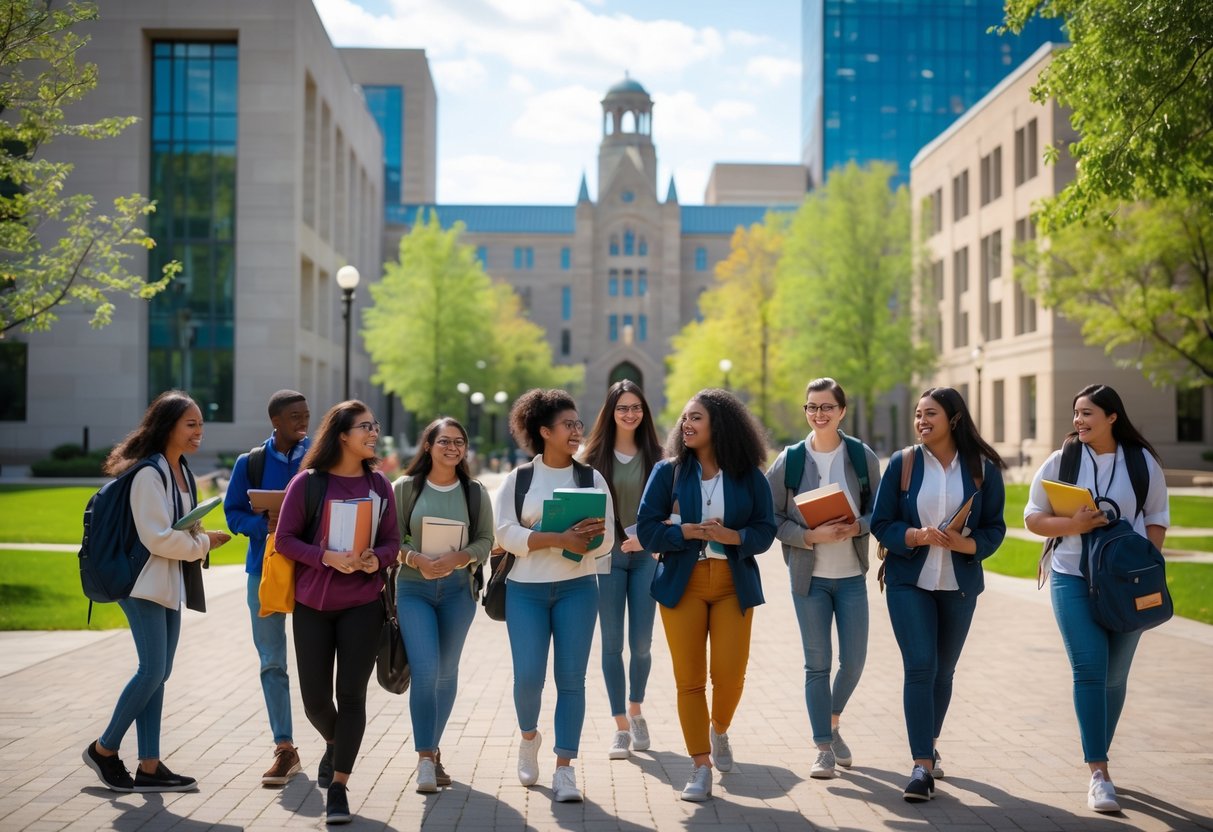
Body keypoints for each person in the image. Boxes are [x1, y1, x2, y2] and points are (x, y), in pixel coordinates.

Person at [1024, 384, 1169, 813]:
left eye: (1088, 413)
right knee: (1090, 670)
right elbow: (1033, 518)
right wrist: (1075, 525)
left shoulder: (1142, 463)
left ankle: (1097, 752)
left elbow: (1157, 517)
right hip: (1072, 577)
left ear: (1111, 417)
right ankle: (1099, 773)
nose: (1079, 421)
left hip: (1128, 586)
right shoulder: (1062, 460)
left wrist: (1145, 565)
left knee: (1115, 677)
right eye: (1075, 414)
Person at [83, 390, 230, 793]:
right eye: (191, 423)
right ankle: (104, 749)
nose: (199, 430)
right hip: (143, 583)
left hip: (167, 583)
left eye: (201, 423)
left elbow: (176, 527)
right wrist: (203, 545)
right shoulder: (149, 473)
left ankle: (150, 766)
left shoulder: (180, 468)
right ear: (167, 426)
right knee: (151, 670)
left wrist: (200, 534)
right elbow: (156, 539)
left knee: (159, 674)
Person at [636, 388, 777, 802]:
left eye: (696, 417)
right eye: (684, 418)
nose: (687, 424)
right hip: (684, 584)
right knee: (690, 681)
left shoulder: (749, 474)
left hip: (734, 583)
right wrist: (685, 532)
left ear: (721, 423)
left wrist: (734, 536)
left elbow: (766, 529)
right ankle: (700, 766)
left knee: (730, 676)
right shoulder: (669, 472)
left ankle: (718, 730)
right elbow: (646, 529)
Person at [871, 386, 1006, 803]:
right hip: (908, 580)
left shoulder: (983, 468)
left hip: (959, 585)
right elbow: (881, 522)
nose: (921, 421)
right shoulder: (904, 463)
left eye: (930, 413)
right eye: (917, 414)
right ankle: (920, 768)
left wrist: (968, 545)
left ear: (954, 418)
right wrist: (913, 534)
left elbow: (995, 528)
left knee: (943, 674)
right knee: (920, 667)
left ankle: (928, 745)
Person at [274, 401, 400, 825]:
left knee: (351, 696)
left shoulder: (380, 485)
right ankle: (336, 742)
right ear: (342, 434)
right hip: (312, 604)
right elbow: (286, 539)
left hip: (363, 605)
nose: (373, 432)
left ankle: (339, 787)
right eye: (365, 426)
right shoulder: (307, 483)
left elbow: (391, 542)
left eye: (374, 425)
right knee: (314, 701)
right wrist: (326, 556)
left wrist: (374, 561)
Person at [494, 389, 616, 803]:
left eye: (578, 424)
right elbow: (504, 533)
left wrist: (585, 542)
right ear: (544, 431)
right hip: (525, 591)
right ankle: (529, 738)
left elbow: (608, 540)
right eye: (568, 425)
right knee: (528, 678)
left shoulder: (591, 478)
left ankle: (566, 768)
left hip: (578, 589)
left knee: (571, 681)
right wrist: (554, 537)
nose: (576, 431)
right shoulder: (520, 478)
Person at [765, 378, 880, 779]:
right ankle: (823, 747)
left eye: (827, 407)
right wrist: (809, 535)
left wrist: (857, 527)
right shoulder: (790, 460)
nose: (819, 414)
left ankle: (831, 720)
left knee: (854, 661)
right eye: (812, 407)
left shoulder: (862, 458)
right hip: (809, 581)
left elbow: (879, 513)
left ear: (841, 411)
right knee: (817, 664)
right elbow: (771, 519)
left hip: (851, 576)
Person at [392, 418, 494, 793]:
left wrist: (462, 557)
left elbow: (487, 540)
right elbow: (389, 541)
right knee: (426, 671)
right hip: (414, 590)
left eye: (459, 442)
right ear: (428, 445)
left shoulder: (474, 492)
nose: (453, 448)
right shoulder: (405, 488)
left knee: (447, 674)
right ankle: (423, 760)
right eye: (444, 441)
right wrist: (415, 559)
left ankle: (433, 752)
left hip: (457, 593)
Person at [222, 389, 311, 786]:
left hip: (312, 570)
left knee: (318, 659)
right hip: (265, 570)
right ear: (275, 421)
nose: (303, 422)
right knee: (272, 661)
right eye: (295, 416)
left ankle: (334, 741)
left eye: (305, 415)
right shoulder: (250, 463)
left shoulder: (317, 459)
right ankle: (285, 746)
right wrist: (263, 526)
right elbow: (233, 514)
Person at [580, 380, 664, 760]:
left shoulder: (659, 457)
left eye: (636, 408)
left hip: (646, 557)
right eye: (622, 408)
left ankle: (636, 709)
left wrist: (648, 541)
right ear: (610, 412)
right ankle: (620, 726)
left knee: (642, 644)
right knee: (612, 644)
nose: (630, 414)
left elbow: (671, 509)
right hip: (607, 559)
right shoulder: (591, 458)